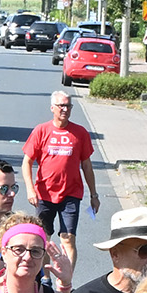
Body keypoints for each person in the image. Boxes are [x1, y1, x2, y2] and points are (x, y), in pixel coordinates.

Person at [23, 92, 101, 267]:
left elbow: (87, 166)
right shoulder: (41, 130)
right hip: (44, 193)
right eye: (61, 106)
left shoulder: (80, 133)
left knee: (68, 238)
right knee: (43, 239)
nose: (65, 109)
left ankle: (66, 279)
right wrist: (30, 189)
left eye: (68, 106)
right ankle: (46, 278)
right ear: (53, 108)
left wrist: (94, 195)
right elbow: (26, 162)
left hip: (71, 193)